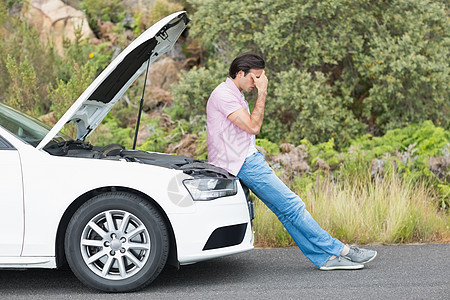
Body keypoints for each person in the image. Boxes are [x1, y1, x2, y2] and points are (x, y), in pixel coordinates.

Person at [206, 52, 377, 270]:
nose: (258, 82)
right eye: (255, 77)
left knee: (286, 212)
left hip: (245, 159)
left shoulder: (234, 93)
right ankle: (341, 250)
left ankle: (324, 259)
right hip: (243, 163)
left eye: (261, 78)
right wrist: (263, 92)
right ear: (240, 73)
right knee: (293, 207)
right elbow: (253, 127)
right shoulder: (223, 95)